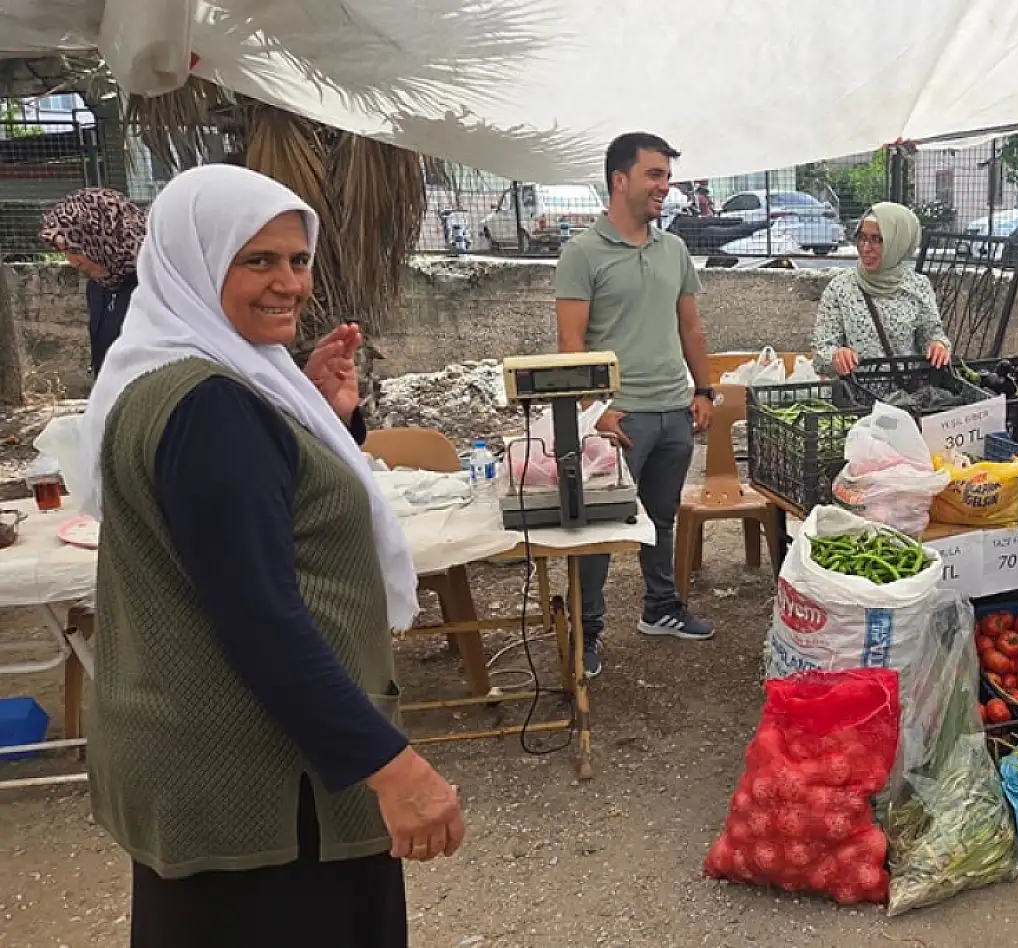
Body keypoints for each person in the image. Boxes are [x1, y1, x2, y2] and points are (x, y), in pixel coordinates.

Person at [80, 164, 464, 947]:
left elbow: (258, 509)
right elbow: (260, 618)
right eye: (257, 260)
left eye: (297, 259)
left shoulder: (174, 375)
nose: (288, 282)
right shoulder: (212, 407)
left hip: (216, 769)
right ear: (193, 261)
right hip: (265, 784)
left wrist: (317, 418)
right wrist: (392, 767)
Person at [554, 132, 716, 678]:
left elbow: (690, 327)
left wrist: (704, 390)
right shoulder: (582, 253)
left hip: (674, 410)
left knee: (661, 519)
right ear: (619, 180)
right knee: (602, 528)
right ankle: (587, 633)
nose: (664, 187)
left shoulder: (674, 250)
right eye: (654, 175)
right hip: (619, 418)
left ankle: (660, 609)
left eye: (667, 176)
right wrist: (594, 409)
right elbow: (570, 343)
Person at [811, 202, 951, 375]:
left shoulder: (919, 286)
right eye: (862, 238)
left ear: (898, 243)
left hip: (909, 389)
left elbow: (931, 333)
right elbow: (821, 351)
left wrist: (938, 346)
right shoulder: (840, 289)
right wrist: (836, 356)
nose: (866, 248)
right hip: (859, 390)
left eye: (877, 240)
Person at [39, 187, 148, 376]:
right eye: (64, 252)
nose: (73, 262)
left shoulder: (152, 284)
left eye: (76, 250)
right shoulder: (97, 287)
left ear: (105, 236)